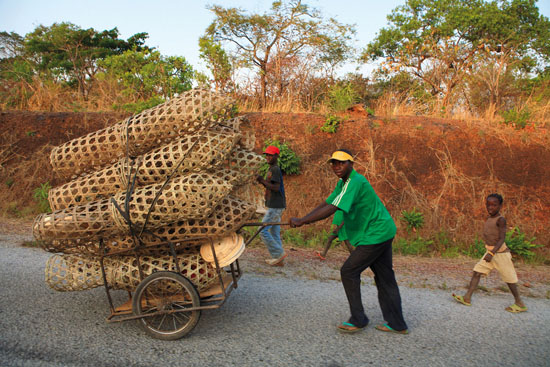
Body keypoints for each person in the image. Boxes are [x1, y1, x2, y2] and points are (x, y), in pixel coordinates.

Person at [290, 149, 408, 334]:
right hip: (383, 230)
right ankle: (397, 324)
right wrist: (303, 219)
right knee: (385, 277)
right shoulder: (343, 182)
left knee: (349, 271)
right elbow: (327, 202)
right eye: (334, 163)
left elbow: (332, 207)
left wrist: (302, 221)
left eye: (341, 163)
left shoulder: (355, 181)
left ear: (351, 164)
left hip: (376, 233)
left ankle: (358, 319)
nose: (337, 166)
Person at [452, 193, 527, 312]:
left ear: (500, 206)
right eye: (488, 205)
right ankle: (467, 297)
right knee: (477, 272)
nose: (490, 207)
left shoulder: (501, 220)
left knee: (509, 280)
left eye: (494, 205)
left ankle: (519, 303)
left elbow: (502, 238)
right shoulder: (490, 218)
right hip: (490, 253)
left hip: (500, 255)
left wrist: (491, 254)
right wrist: (490, 253)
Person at [256, 145, 287, 266]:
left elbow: (275, 187)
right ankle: (279, 260)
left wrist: (262, 181)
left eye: (270, 155)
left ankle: (278, 254)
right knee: (274, 231)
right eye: (266, 155)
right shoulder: (271, 169)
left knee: (262, 230)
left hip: (276, 206)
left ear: (276, 156)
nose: (268, 157)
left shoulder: (275, 169)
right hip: (275, 205)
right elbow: (271, 185)